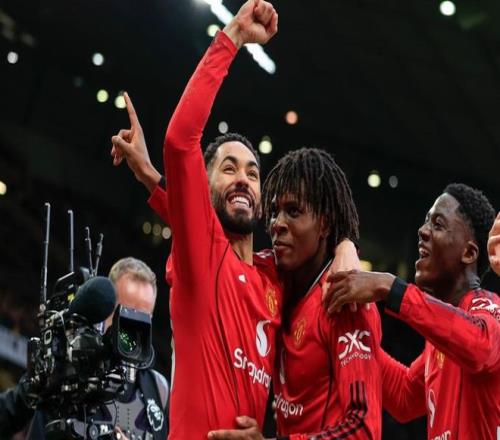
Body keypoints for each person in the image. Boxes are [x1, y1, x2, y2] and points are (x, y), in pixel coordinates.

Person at [110, 2, 360, 438]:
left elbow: (318, 245)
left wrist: (345, 244)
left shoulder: (274, 275)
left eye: (252, 173)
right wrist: (235, 35)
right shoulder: (202, 252)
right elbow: (180, 140)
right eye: (228, 169)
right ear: (203, 188)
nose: (243, 179)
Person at [207, 148, 383, 440]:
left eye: (293, 211)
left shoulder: (345, 301)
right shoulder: (273, 277)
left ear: (324, 223)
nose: (277, 223)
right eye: (274, 211)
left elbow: (363, 428)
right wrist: (150, 176)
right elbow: (213, 248)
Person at [326, 183, 500, 440]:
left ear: (469, 252)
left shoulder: (489, 307)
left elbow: (480, 346)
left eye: (437, 224)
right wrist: (352, 335)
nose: (423, 231)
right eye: (426, 221)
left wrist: (390, 287)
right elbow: (404, 396)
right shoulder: (440, 342)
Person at [0, 257, 169, 440]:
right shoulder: (72, 370)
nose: (134, 327)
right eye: (127, 313)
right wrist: (35, 387)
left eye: (143, 318)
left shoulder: (159, 389)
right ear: (105, 310)